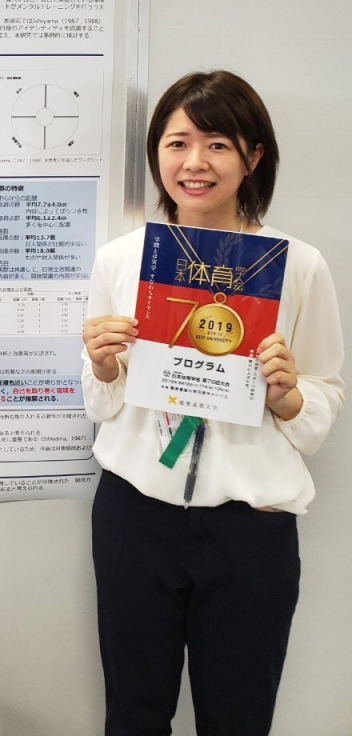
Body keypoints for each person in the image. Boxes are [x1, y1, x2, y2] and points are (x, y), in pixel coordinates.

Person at [81, 70, 344, 736]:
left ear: (253, 157)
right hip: (135, 515)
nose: (194, 162)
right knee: (134, 713)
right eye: (177, 143)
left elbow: (324, 396)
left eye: (218, 144)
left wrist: (287, 395)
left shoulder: (297, 264)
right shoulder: (122, 260)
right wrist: (104, 364)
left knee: (238, 719)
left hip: (248, 529)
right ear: (157, 154)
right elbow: (103, 406)